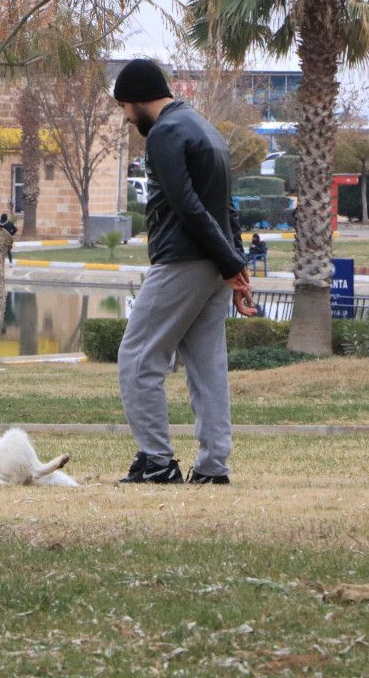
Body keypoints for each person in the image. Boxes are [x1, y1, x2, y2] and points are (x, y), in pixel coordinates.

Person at [112, 58, 256, 486]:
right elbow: (227, 208)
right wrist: (234, 265)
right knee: (207, 369)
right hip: (214, 267)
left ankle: (156, 461)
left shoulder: (165, 132)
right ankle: (213, 467)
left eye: (124, 107)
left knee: (137, 358)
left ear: (137, 99)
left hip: (181, 261)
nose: (126, 117)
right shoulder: (206, 129)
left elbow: (188, 206)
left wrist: (232, 265)